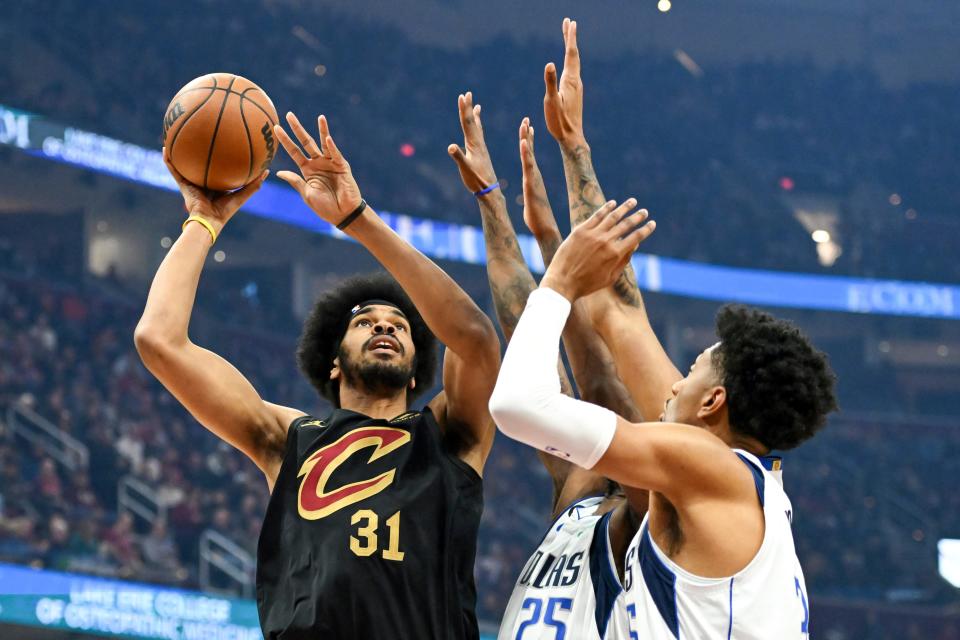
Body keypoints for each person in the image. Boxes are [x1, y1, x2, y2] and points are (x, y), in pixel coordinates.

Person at [490, 19, 838, 637]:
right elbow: (620, 310)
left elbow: (519, 405)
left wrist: (558, 284)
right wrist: (574, 147)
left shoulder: (706, 465)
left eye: (694, 366)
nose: (671, 385)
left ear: (715, 399)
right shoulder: (732, 471)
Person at [135, 111, 501, 639]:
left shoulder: (448, 436)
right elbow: (159, 341)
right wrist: (203, 221)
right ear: (334, 359)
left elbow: (475, 336)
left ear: (417, 369)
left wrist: (358, 220)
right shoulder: (290, 440)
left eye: (399, 325)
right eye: (366, 322)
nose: (385, 327)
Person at [445, 86, 644, 638]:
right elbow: (524, 331)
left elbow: (604, 385)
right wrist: (493, 201)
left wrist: (560, 251)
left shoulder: (653, 511)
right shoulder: (578, 488)